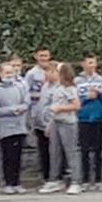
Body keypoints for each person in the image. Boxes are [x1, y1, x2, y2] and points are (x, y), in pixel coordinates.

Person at [41, 63, 83, 194]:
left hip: (68, 123)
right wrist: (50, 124)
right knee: (54, 152)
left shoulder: (69, 89)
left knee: (71, 152)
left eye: (54, 72)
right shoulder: (56, 88)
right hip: (56, 122)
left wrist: (60, 108)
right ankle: (54, 179)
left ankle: (76, 181)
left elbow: (76, 105)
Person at [0, 61, 29, 194]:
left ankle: (17, 182)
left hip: (19, 126)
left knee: (18, 156)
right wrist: (11, 110)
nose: (9, 75)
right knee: (7, 156)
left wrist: (22, 108)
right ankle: (7, 182)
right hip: (5, 127)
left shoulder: (20, 87)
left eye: (11, 72)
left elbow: (26, 102)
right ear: (0, 73)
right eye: (6, 72)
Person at [73, 55, 102, 191]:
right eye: (89, 63)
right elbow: (74, 99)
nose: (92, 66)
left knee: (98, 150)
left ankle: (98, 179)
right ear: (83, 64)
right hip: (83, 118)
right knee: (84, 150)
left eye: (93, 63)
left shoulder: (100, 79)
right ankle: (85, 179)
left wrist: (99, 94)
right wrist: (87, 97)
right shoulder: (77, 80)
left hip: (97, 118)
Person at [24, 49, 57, 186]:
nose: (44, 58)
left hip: (53, 115)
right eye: (41, 55)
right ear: (36, 57)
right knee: (42, 146)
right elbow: (26, 92)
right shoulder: (31, 74)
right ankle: (45, 175)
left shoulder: (55, 71)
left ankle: (57, 174)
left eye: (46, 55)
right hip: (37, 113)